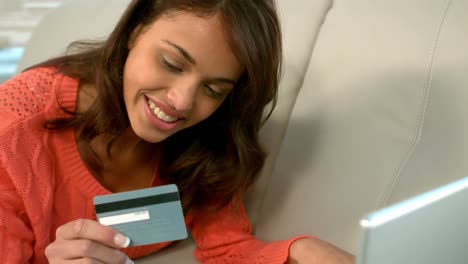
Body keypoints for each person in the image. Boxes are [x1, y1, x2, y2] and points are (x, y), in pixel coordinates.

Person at [0, 0, 355, 263]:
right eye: (171, 63)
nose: (182, 102)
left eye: (214, 89)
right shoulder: (14, 128)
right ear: (135, 30)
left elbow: (227, 248)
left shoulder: (210, 136)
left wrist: (299, 251)